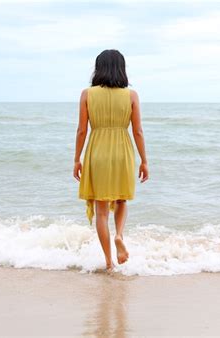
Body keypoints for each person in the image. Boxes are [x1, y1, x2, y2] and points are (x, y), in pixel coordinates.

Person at [73, 49, 149, 272]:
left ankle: (108, 263)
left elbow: (81, 130)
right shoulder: (131, 96)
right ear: (121, 69)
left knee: (102, 210)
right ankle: (119, 235)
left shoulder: (87, 94)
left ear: (98, 68)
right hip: (122, 151)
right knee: (122, 200)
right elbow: (138, 132)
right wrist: (144, 161)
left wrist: (77, 159)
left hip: (97, 152)